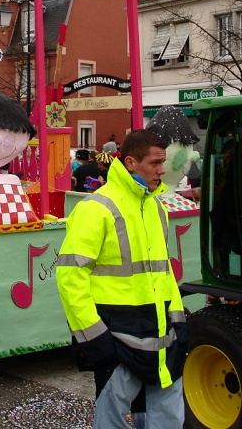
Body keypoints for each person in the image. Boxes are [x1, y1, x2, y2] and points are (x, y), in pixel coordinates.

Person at [56, 129, 187, 429]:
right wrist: (95, 336)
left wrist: (178, 323)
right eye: (155, 163)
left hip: (158, 337)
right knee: (113, 421)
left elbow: (163, 272)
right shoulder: (96, 208)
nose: (162, 170)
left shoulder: (156, 206)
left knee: (166, 418)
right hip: (117, 338)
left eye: (163, 162)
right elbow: (69, 276)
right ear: (130, 162)